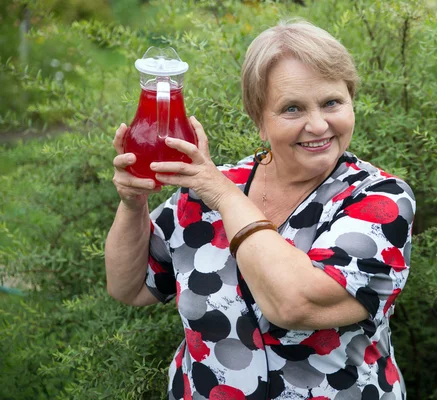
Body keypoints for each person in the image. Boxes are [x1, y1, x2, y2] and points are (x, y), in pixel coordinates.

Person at [105, 20, 416, 400]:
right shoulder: (208, 187)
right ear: (260, 122)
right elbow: (130, 287)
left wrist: (223, 195)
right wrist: (133, 203)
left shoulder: (381, 200)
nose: (318, 124)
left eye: (332, 102)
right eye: (292, 108)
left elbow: (294, 303)